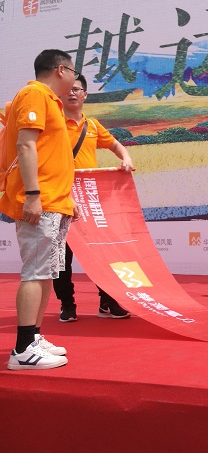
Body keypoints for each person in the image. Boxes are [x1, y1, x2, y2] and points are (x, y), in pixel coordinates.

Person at [2, 49, 78, 370]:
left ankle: (32, 337)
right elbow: (25, 144)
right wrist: (33, 194)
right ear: (60, 70)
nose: (75, 79)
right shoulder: (34, 94)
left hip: (54, 201)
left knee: (46, 273)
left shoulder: (51, 101)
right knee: (35, 271)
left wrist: (66, 200)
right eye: (73, 72)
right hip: (40, 201)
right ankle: (22, 350)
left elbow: (50, 154)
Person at [54, 73, 134, 322]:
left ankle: (107, 302)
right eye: (68, 89)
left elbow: (116, 145)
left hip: (89, 202)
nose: (72, 93)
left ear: (85, 95)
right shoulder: (53, 124)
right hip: (60, 199)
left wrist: (126, 158)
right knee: (62, 259)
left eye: (77, 89)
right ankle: (67, 305)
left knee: (102, 254)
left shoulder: (93, 126)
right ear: (60, 95)